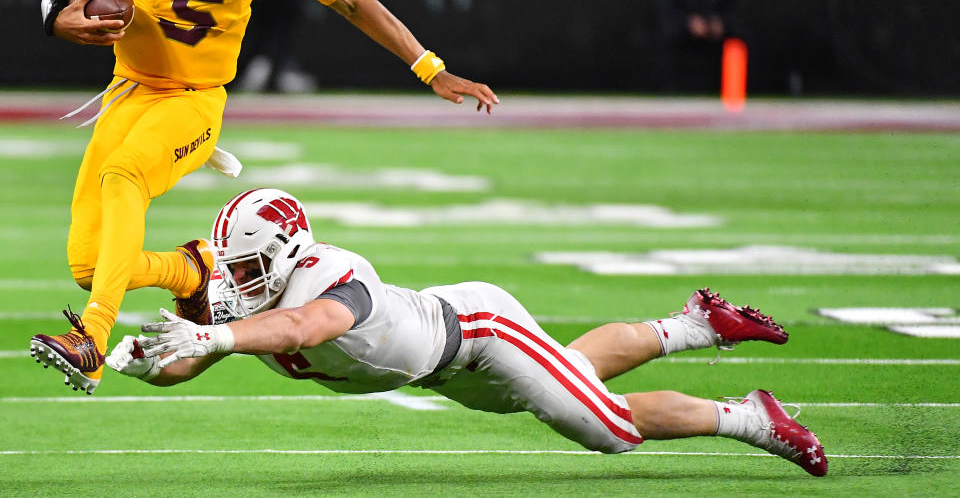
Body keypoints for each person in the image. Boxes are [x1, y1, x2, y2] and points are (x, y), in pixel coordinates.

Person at [29, 0, 498, 395]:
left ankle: (92, 339)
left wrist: (430, 68)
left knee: (126, 176)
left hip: (195, 100)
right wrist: (57, 15)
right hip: (130, 89)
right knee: (88, 266)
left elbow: (350, 1)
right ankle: (194, 271)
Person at [106, 188, 827, 477]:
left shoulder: (330, 275)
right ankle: (695, 323)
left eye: (244, 264)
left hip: (484, 333)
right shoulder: (253, 292)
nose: (229, 279)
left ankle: (751, 418)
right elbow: (195, 357)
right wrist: (145, 360)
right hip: (446, 369)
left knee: (606, 427)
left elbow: (301, 324)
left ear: (288, 253)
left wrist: (216, 338)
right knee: (573, 370)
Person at [657, 0, 743, 93]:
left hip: (717, 43)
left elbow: (734, 8)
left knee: (739, 42)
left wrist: (722, 23)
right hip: (684, 40)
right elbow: (668, 11)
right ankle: (672, 89)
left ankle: (732, 91)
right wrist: (688, 23)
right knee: (671, 37)